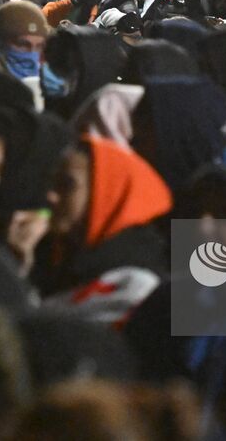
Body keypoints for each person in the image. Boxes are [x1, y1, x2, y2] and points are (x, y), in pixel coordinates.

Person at [34, 134, 172, 325]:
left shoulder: (131, 287)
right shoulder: (55, 258)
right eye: (52, 182)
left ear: (106, 194)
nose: (51, 196)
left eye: (67, 185)